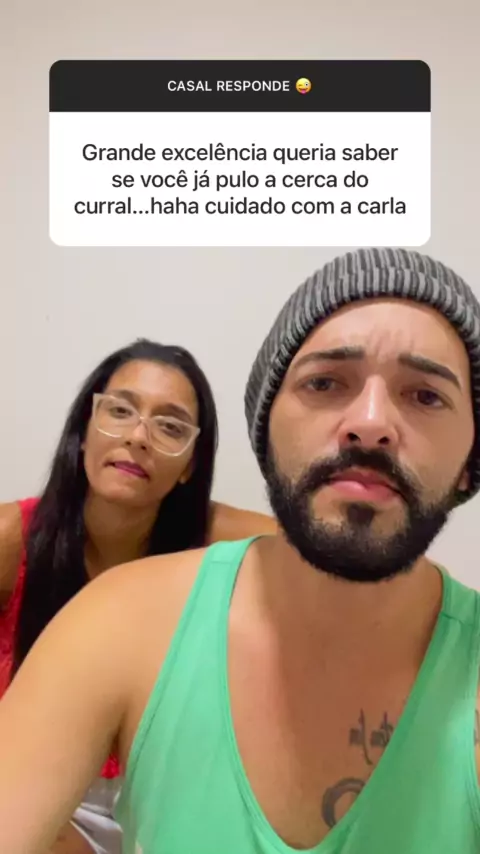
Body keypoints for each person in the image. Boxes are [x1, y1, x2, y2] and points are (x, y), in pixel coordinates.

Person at [1, 247, 480, 854]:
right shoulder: (117, 618)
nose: (370, 422)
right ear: (265, 430)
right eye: (325, 382)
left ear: (471, 461)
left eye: (427, 396)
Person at [0, 337, 276, 854]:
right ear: (84, 431)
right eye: (121, 411)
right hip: (38, 797)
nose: (138, 437)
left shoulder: (216, 545)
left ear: (190, 464)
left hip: (167, 802)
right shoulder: (15, 539)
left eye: (170, 426)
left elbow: (330, 562)